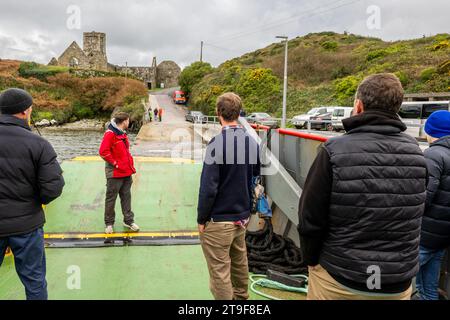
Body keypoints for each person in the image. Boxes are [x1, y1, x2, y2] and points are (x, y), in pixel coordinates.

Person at [297, 73, 428, 300]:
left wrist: (311, 261)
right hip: (395, 282)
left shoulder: (334, 151)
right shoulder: (416, 152)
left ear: (358, 105)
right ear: (397, 107)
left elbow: (310, 219)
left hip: (340, 278)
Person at [0, 88, 65, 300]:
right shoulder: (39, 144)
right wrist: (33, 203)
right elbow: (53, 187)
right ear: (25, 111)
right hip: (26, 226)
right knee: (34, 281)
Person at [197, 92, 260, 300]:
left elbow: (208, 188)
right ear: (239, 113)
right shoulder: (251, 142)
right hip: (241, 218)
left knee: (220, 273)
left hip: (219, 220)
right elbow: (254, 176)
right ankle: (242, 298)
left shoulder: (216, 144)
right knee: (240, 262)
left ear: (218, 113)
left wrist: (201, 219)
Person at [416, 110, 450, 300]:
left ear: (432, 132)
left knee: (391, 280)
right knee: (428, 288)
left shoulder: (433, 154)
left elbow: (424, 195)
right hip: (443, 236)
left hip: (425, 235)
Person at [99, 112, 140, 234]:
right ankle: (109, 223)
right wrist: (115, 163)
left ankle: (128, 220)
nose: (129, 122)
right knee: (111, 198)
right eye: (128, 120)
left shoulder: (122, 134)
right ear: (124, 121)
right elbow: (103, 152)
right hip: (115, 173)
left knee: (126, 196)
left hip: (126, 172)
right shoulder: (110, 134)